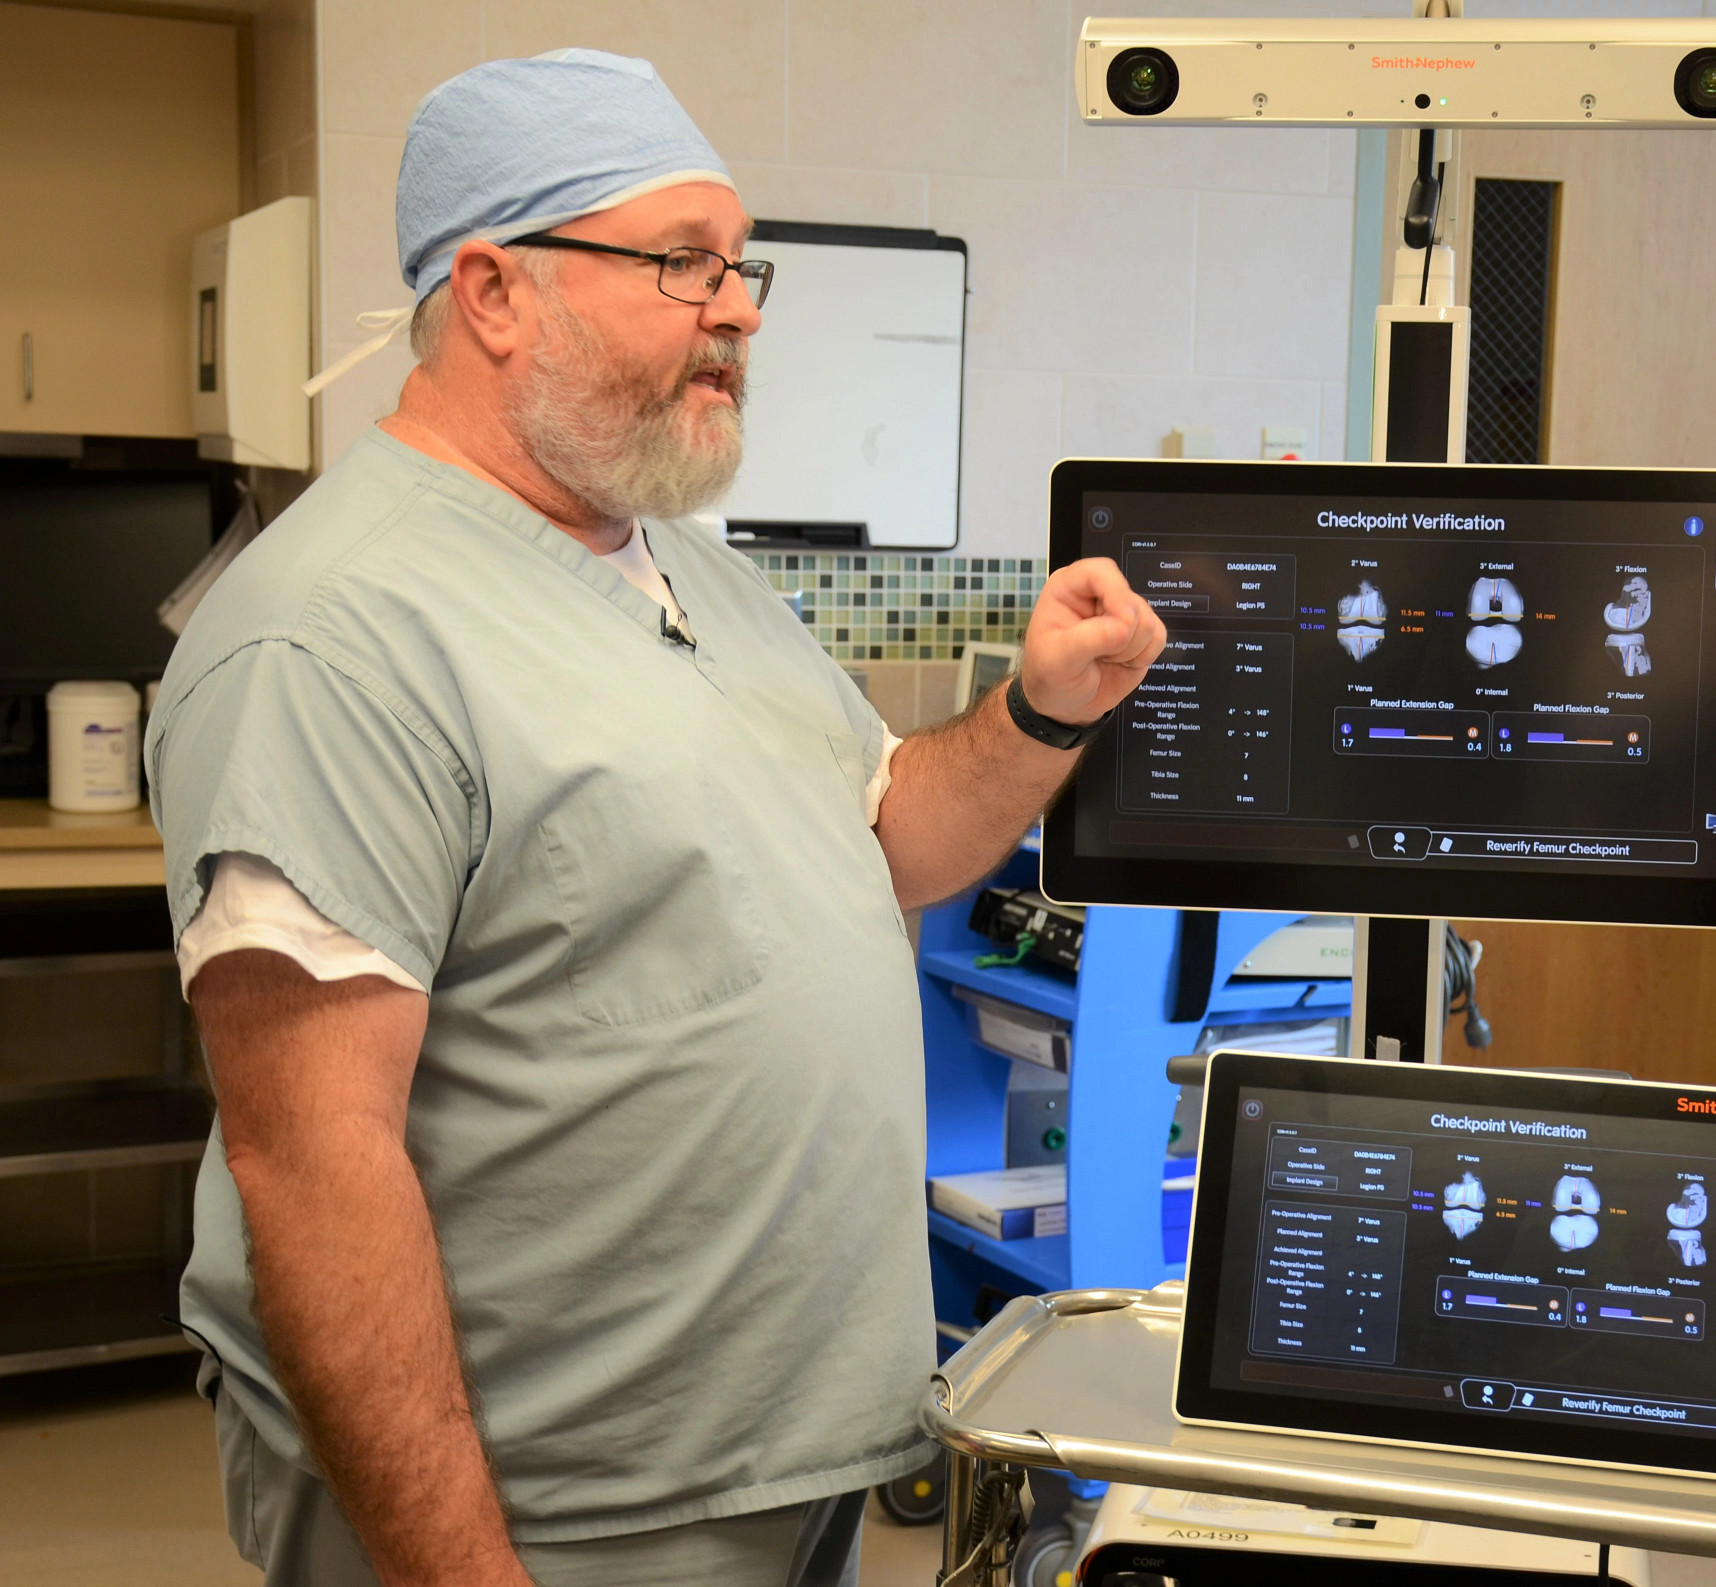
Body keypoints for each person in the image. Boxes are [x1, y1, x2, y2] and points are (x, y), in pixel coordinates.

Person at [147, 49, 1165, 1587]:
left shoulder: (693, 571)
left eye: (738, 265)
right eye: (683, 263)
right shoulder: (337, 637)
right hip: (552, 1509)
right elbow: (313, 1168)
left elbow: (888, 840)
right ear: (495, 292)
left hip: (776, 1451)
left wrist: (1042, 712)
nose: (743, 305)